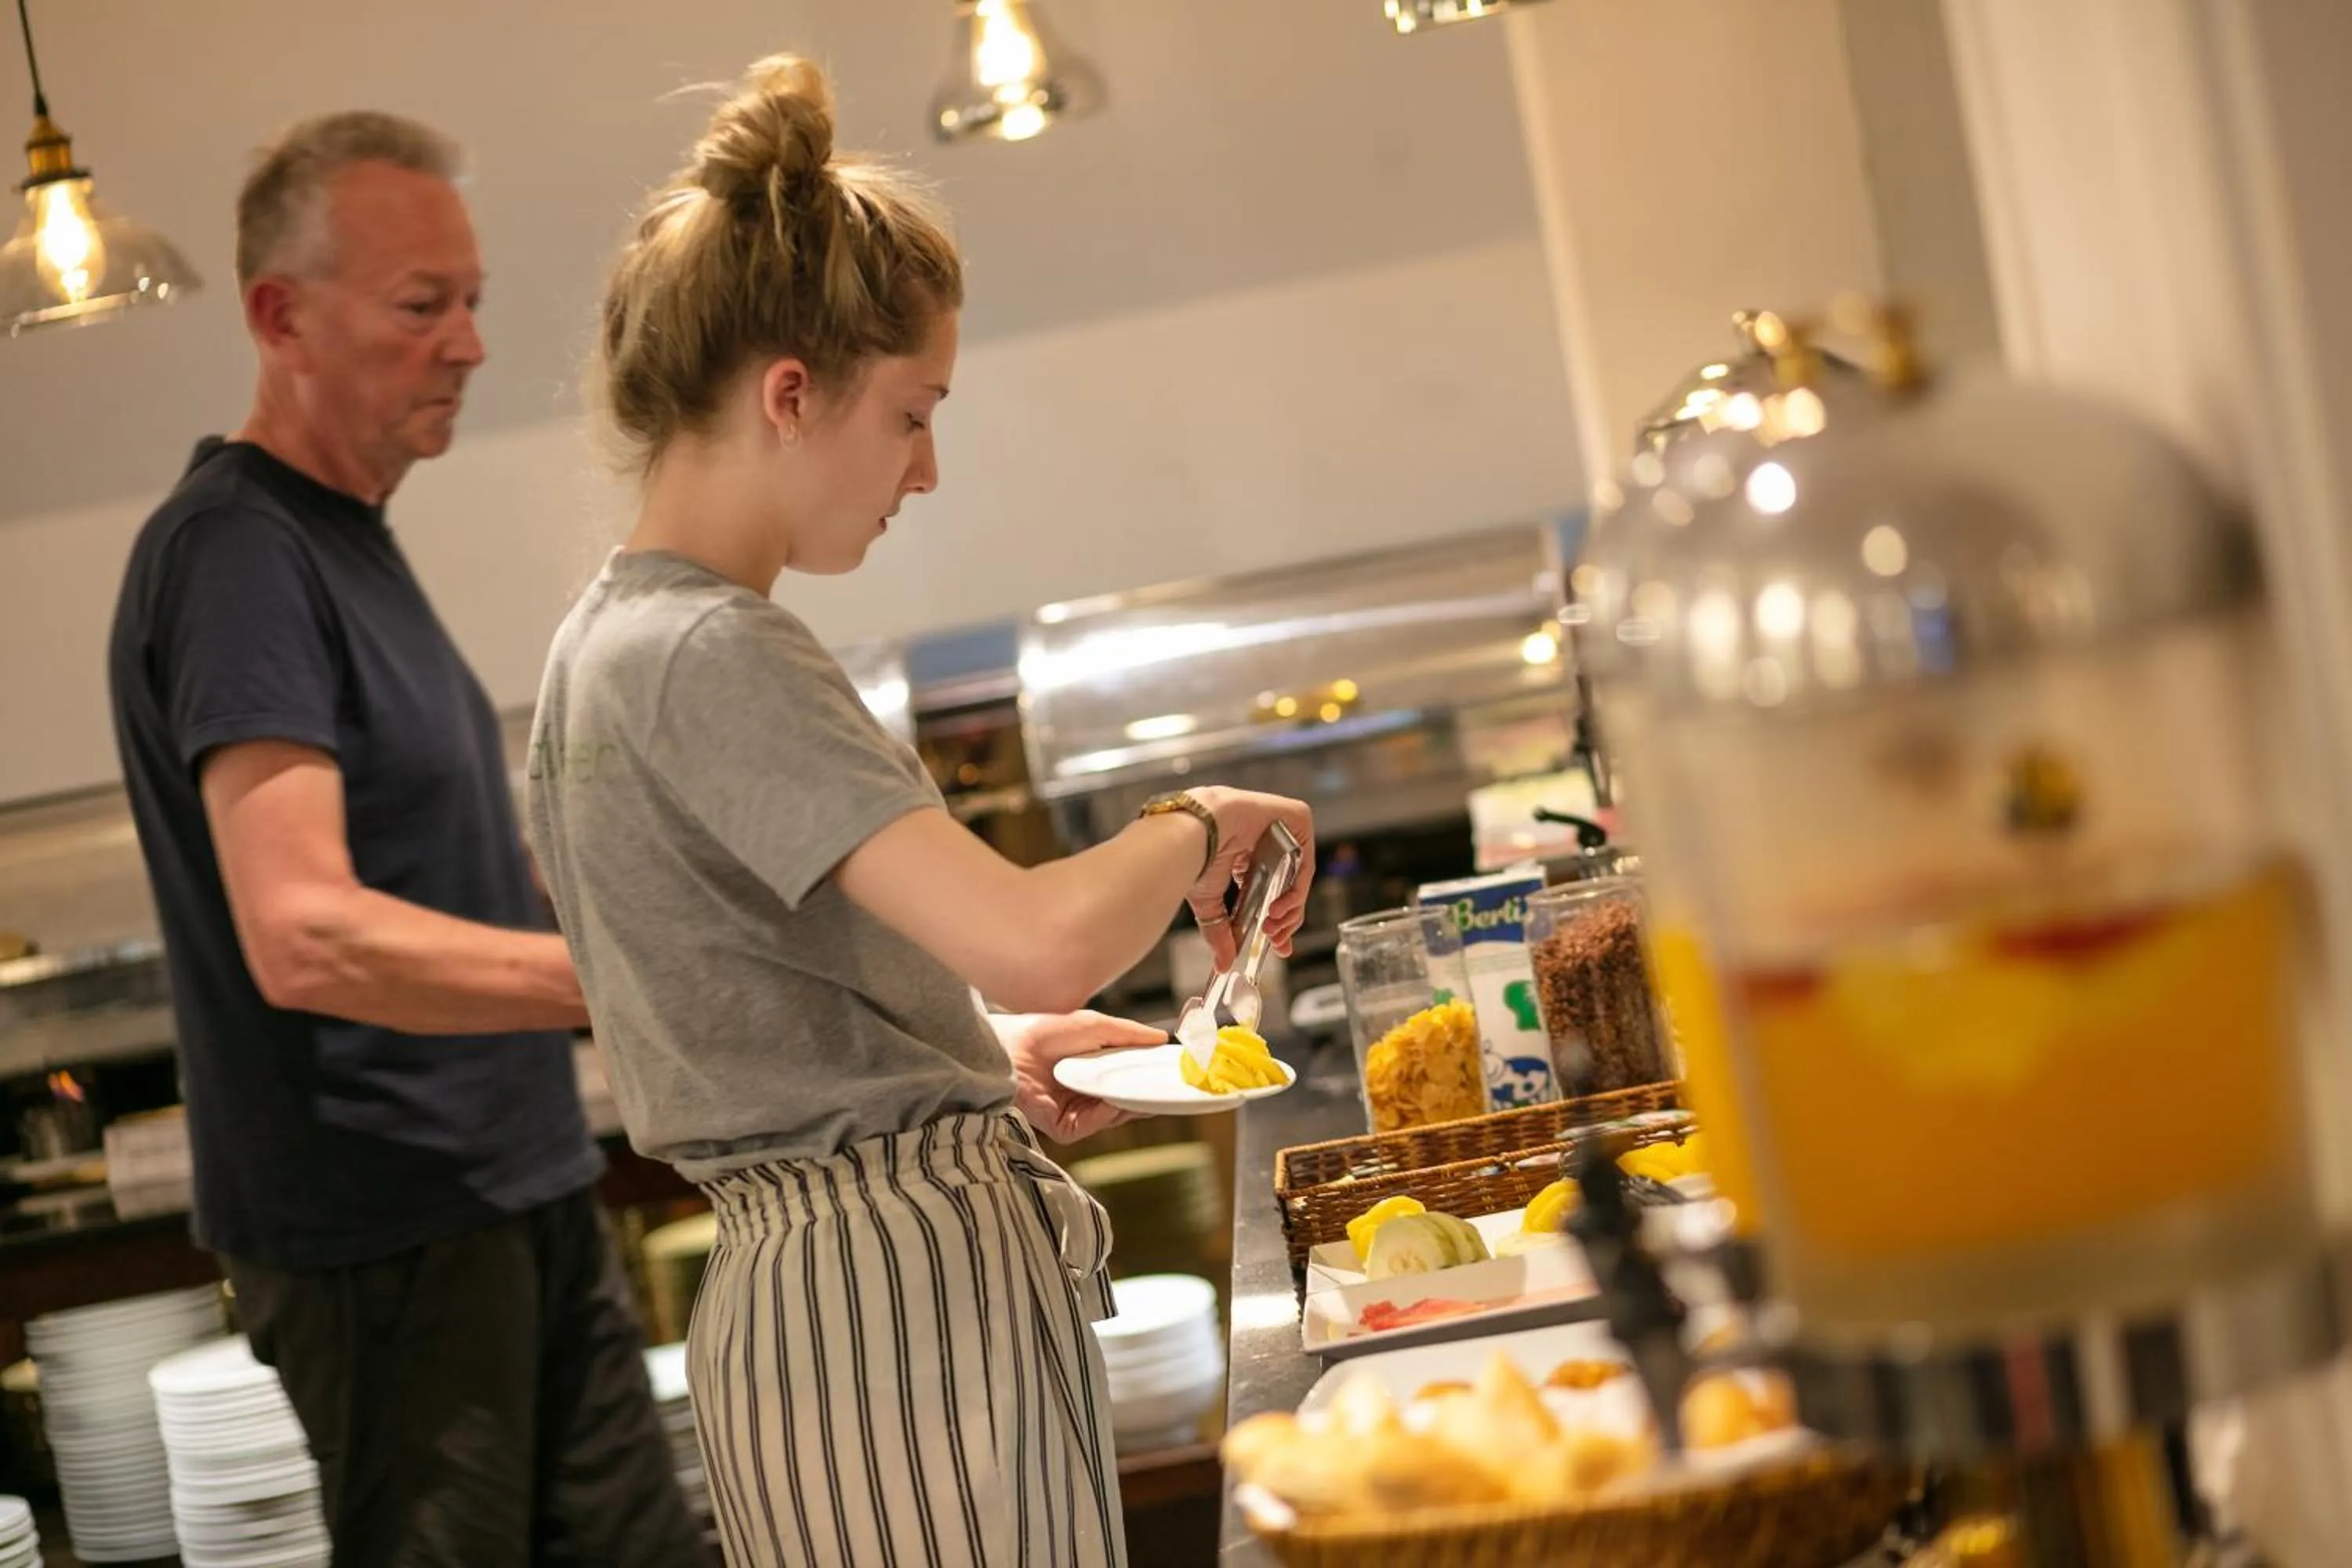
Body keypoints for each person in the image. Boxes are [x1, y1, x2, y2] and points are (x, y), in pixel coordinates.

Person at [523, 53, 1316, 1568]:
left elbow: (733, 993)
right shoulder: (712, 647)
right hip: (893, 1314)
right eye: (911, 414)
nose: (928, 468)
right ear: (789, 393)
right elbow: (1036, 941)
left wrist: (976, 1062)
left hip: (803, 1306)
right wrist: (1201, 819)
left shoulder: (595, 651)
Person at [105, 112, 701, 1566]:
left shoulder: (344, 537)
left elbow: (416, 864)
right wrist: (620, 978)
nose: (470, 345)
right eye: (421, 305)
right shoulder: (237, 552)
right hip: (389, 1227)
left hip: (512, 1181)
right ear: (279, 316)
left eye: (474, 300)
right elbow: (303, 930)